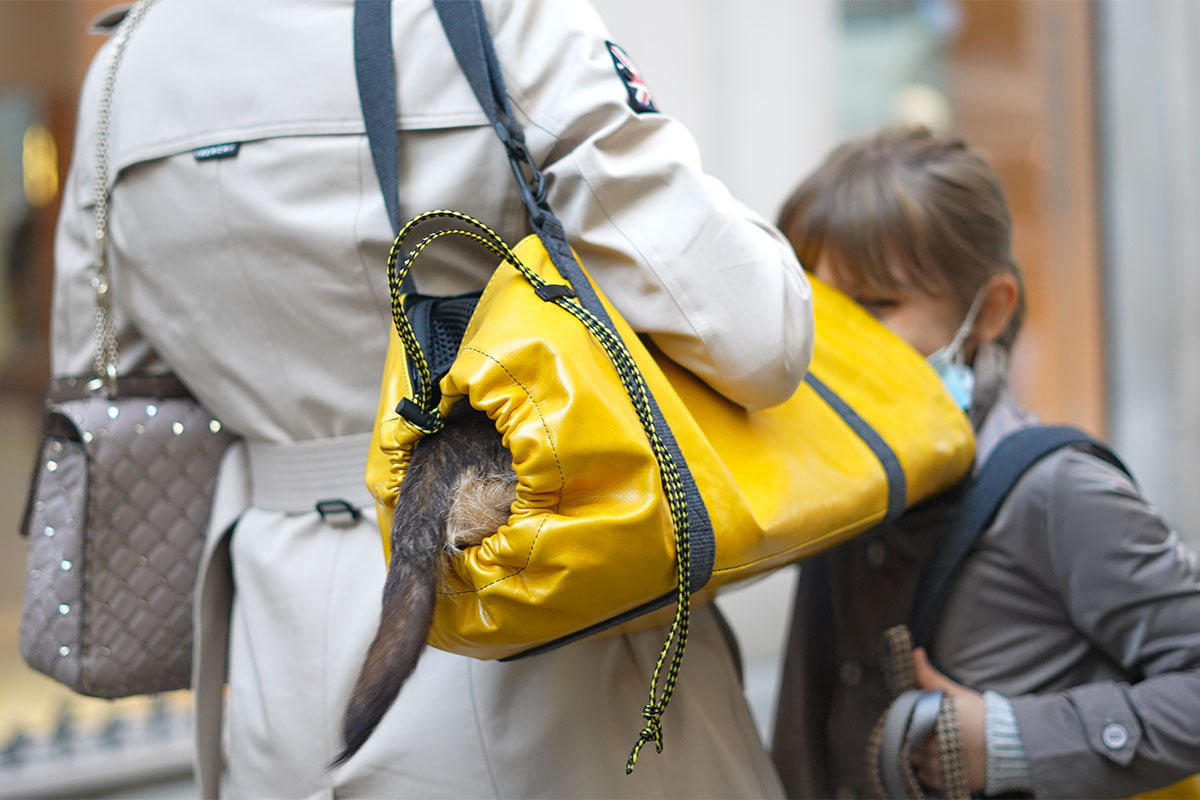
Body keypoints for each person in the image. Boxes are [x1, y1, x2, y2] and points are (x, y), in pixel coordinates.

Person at [51, 1, 813, 797]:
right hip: (517, 614)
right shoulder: (501, 17)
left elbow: (103, 369)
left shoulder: (125, 65)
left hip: (271, 643)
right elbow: (759, 339)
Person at [770, 126, 1200, 799]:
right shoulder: (844, 477)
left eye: (877, 305)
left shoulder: (1056, 487)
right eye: (815, 307)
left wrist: (1010, 741)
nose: (836, 341)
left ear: (990, 310)